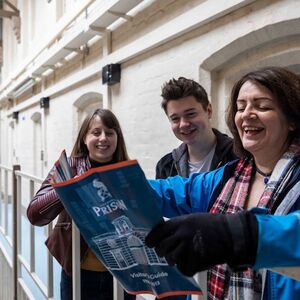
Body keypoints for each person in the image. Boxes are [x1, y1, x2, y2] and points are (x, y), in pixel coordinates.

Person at [145, 67, 300, 300]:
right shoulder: (228, 176)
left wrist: (237, 234)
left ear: (292, 120)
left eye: (263, 106)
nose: (247, 114)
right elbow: (170, 192)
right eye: (241, 107)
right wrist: (110, 184)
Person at [27, 109, 135, 300]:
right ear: (84, 138)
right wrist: (70, 187)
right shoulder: (69, 167)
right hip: (78, 271)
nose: (103, 138)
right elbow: (35, 214)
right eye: (96, 132)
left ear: (117, 137)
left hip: (123, 274)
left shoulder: (127, 172)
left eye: (110, 133)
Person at [155, 77, 237, 179]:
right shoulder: (165, 166)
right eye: (175, 118)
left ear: (209, 110)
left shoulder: (238, 155)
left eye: (190, 114)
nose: (183, 124)